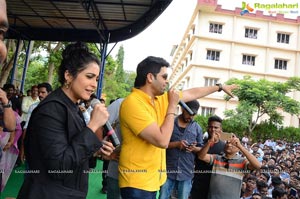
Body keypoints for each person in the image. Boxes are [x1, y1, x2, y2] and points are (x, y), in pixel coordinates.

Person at [118, 56, 237, 199]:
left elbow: (192, 93)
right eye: (164, 76)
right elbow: (162, 141)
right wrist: (173, 106)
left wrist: (219, 87)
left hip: (152, 179)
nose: (167, 81)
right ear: (150, 77)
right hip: (136, 182)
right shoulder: (133, 103)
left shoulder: (158, 100)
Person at [17, 42, 114, 199]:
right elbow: (59, 165)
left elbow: (71, 148)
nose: (94, 85)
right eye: (89, 77)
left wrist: (96, 151)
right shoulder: (51, 110)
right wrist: (93, 125)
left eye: (96, 79)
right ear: (68, 75)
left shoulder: (73, 106)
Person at [159, 100, 203, 199]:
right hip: (167, 171)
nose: (191, 117)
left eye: (193, 115)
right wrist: (176, 144)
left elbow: (201, 148)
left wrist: (194, 148)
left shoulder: (197, 128)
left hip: (186, 173)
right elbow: (159, 143)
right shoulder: (169, 123)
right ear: (183, 109)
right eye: (189, 113)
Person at [197, 132, 261, 199]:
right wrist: (210, 142)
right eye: (227, 142)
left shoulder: (242, 162)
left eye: (233, 144)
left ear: (238, 148)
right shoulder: (216, 158)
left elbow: (258, 166)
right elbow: (201, 156)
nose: (229, 145)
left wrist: (241, 147)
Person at [190, 115, 226, 199]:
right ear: (207, 128)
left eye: (216, 127)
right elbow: (198, 158)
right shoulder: (200, 143)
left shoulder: (225, 147)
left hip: (216, 186)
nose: (213, 129)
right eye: (210, 127)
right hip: (199, 184)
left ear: (221, 130)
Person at [19, 82, 53, 163]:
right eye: (39, 92)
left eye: (43, 92)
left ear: (50, 93)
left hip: (51, 147)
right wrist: (23, 149)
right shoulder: (33, 107)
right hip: (34, 144)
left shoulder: (57, 107)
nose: (40, 95)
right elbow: (27, 127)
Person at [106, 98, 124, 199]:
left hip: (144, 177)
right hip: (117, 170)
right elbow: (99, 124)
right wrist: (102, 151)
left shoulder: (156, 107)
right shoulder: (120, 103)